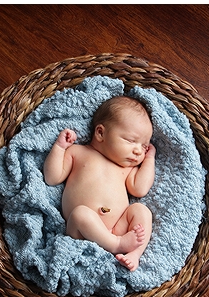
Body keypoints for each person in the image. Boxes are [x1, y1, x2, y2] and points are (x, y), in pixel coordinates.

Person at [43, 95, 155, 271]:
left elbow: (140, 189)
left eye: (144, 146)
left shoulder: (126, 168)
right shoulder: (78, 152)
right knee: (80, 213)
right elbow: (52, 177)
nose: (137, 150)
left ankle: (135, 254)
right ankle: (116, 244)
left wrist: (149, 158)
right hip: (81, 232)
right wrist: (59, 148)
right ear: (101, 133)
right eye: (131, 141)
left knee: (142, 211)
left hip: (117, 227)